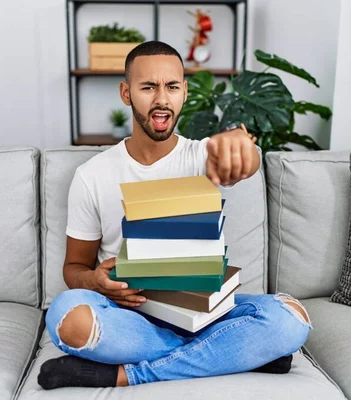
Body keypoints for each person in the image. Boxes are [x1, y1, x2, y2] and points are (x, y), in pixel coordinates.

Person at [37, 40, 312, 390]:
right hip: (129, 317)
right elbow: (73, 268)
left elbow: (246, 159)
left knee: (291, 319)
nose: (161, 100)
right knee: (66, 317)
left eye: (172, 87)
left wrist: (241, 146)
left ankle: (128, 374)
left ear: (184, 91)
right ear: (126, 93)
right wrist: (95, 282)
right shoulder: (92, 176)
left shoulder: (203, 157)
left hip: (203, 312)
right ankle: (232, 352)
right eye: (148, 87)